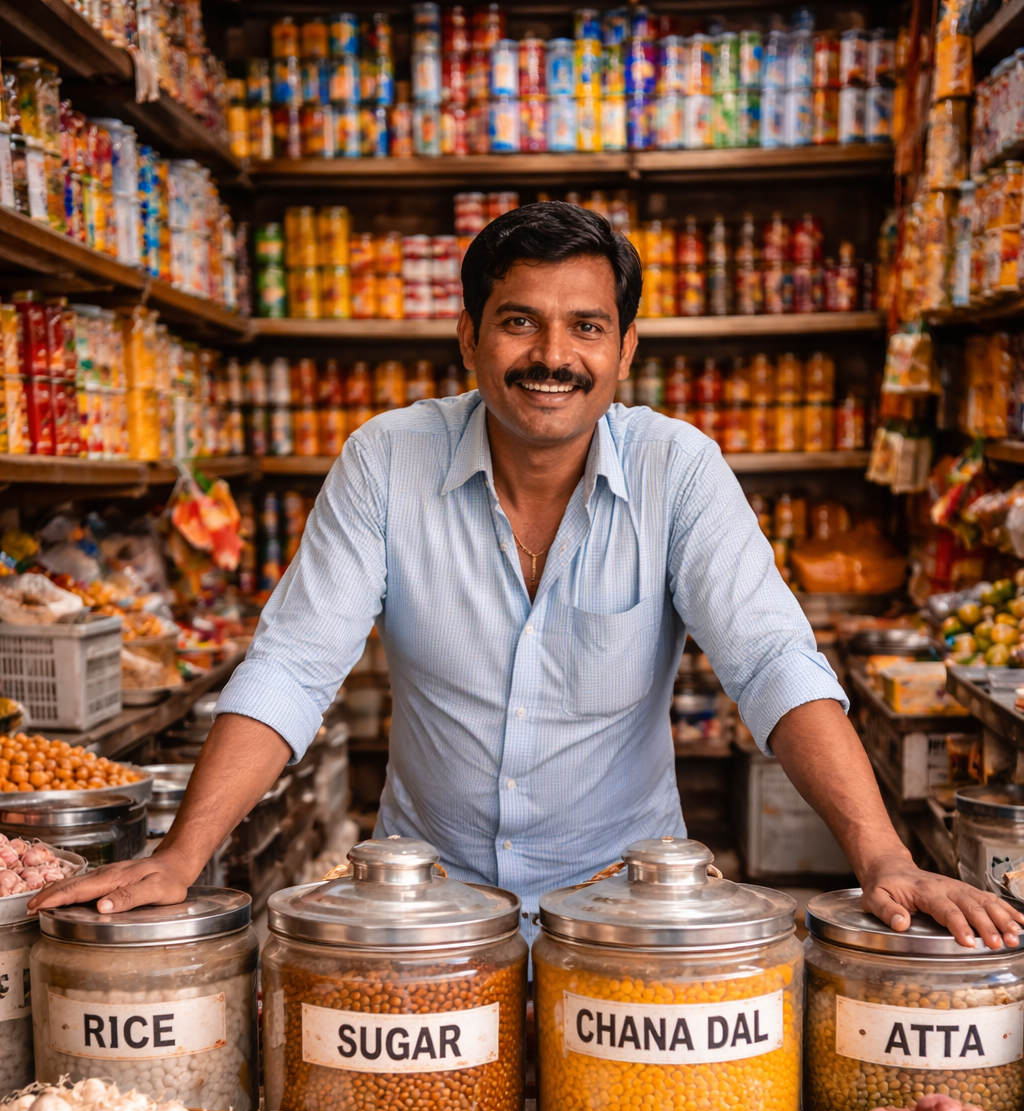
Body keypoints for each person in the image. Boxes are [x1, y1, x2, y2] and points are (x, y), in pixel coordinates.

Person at [32, 202, 1020, 951]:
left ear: (624, 351)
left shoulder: (679, 470)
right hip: (426, 912)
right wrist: (179, 857)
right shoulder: (387, 459)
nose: (553, 356)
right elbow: (293, 667)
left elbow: (770, 663)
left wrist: (883, 857)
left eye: (586, 327)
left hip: (630, 910)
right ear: (467, 338)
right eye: (519, 323)